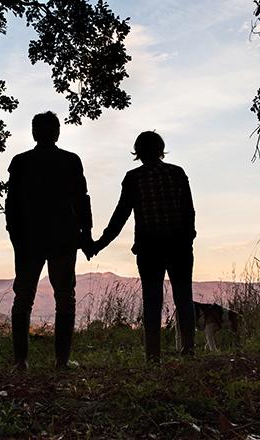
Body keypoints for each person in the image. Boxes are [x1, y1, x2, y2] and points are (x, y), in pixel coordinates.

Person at [88, 131, 196, 362]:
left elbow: (120, 216)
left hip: (149, 249)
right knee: (184, 298)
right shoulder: (176, 173)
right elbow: (189, 212)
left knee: (152, 300)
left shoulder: (133, 178)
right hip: (179, 246)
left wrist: (99, 244)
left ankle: (153, 356)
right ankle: (188, 351)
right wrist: (188, 238)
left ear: (137, 152)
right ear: (161, 149)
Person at [5, 111, 93, 370]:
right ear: (57, 132)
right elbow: (82, 200)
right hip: (63, 239)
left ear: (34, 133)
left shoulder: (20, 162)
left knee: (23, 297)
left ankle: (21, 361)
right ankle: (62, 361)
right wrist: (85, 235)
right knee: (65, 296)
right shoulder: (71, 161)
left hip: (28, 240)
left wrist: (14, 235)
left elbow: (11, 204)